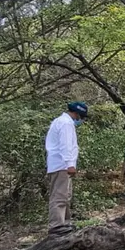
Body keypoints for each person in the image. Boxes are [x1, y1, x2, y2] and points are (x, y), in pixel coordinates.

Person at [44, 101, 88, 235]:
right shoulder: (66, 123)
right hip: (61, 164)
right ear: (77, 114)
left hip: (59, 164)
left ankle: (65, 223)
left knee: (65, 195)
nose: (81, 120)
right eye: (81, 117)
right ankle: (56, 225)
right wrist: (70, 164)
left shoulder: (60, 121)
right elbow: (66, 145)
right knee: (60, 195)